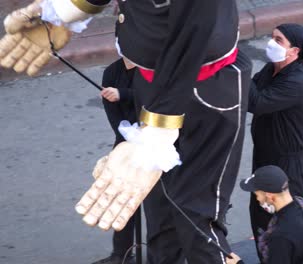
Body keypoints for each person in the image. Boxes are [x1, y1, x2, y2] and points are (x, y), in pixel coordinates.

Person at [0, 1, 252, 264]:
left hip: (208, 87)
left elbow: (194, 28)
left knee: (198, 219)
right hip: (151, 81)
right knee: (160, 216)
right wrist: (64, 12)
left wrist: (156, 133)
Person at [248, 23, 303, 259]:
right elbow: (249, 94)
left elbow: (257, 102)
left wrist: (237, 68)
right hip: (264, 158)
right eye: (272, 37)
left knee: (283, 227)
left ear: (294, 51)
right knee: (259, 217)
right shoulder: (271, 69)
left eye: (279, 40)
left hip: (288, 166)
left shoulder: (298, 81)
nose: (271, 43)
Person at [227, 165, 303, 264]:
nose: (257, 199)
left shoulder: (280, 236)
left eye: (257, 195)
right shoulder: (302, 206)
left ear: (270, 196)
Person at [92, 57, 137, 264]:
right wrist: (126, 139)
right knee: (123, 199)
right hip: (126, 141)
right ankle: (122, 254)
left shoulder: (154, 67)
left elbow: (156, 98)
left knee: (160, 206)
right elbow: (114, 115)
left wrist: (124, 94)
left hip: (160, 142)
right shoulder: (111, 72)